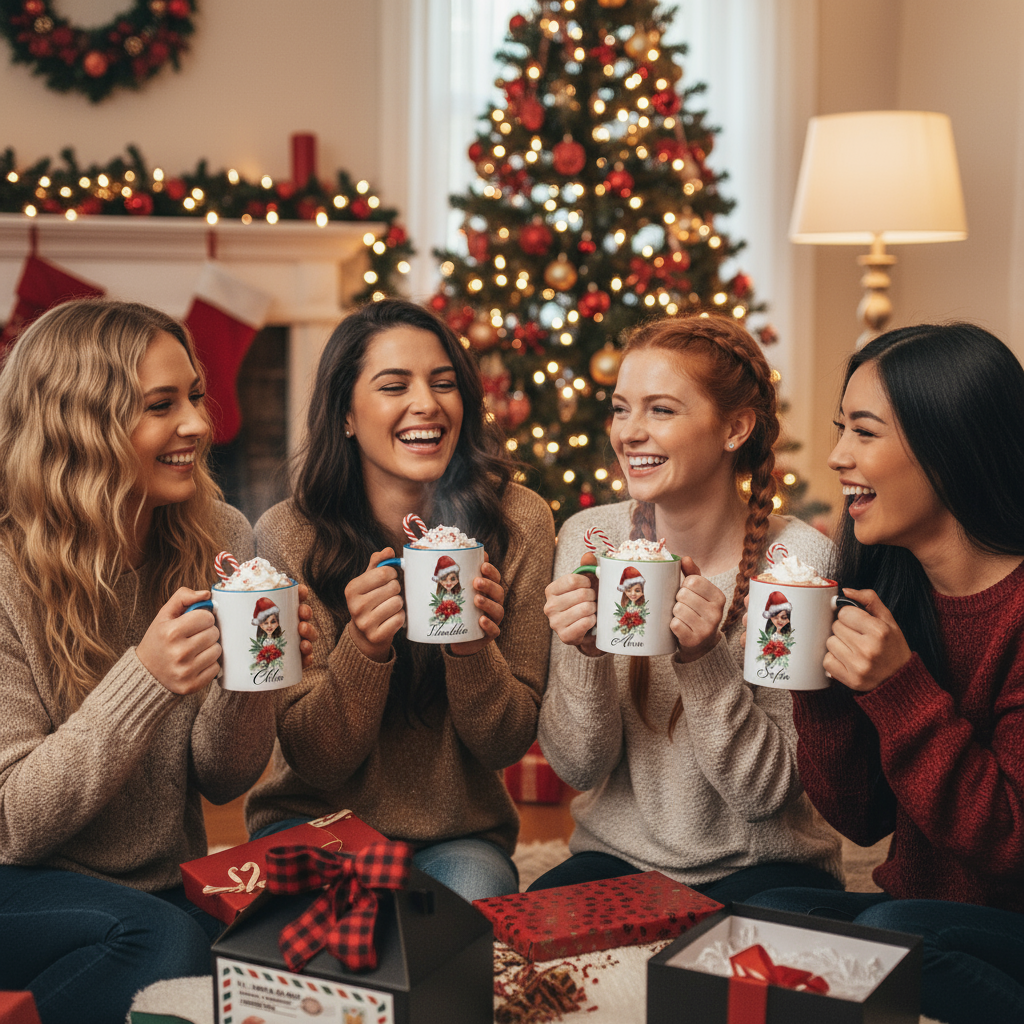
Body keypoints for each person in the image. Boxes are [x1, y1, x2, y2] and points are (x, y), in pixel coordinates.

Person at [0, 300, 311, 1024]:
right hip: (17, 881)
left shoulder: (220, 534)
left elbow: (223, 777)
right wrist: (144, 680)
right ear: (79, 424)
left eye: (195, 396)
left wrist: (248, 675)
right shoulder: (8, 570)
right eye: (161, 405)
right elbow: (13, 823)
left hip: (159, 880)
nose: (201, 426)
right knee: (160, 941)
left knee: (285, 951)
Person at [745, 323, 1024, 1024]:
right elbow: (860, 821)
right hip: (912, 910)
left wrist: (899, 691)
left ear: (948, 445)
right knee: (759, 912)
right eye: (843, 430)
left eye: (864, 432)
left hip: (997, 920)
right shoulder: (890, 586)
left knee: (891, 939)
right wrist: (820, 689)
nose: (839, 457)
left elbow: (1010, 851)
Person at [244, 298, 555, 901]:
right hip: (316, 823)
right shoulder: (288, 535)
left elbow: (506, 742)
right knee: (334, 944)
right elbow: (315, 760)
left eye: (445, 384)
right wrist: (363, 649)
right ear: (346, 416)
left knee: (460, 930)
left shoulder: (520, 521)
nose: (427, 404)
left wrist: (470, 650)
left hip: (457, 834)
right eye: (394, 385)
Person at [532, 312, 842, 899]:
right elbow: (579, 768)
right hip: (616, 857)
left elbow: (766, 796)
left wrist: (704, 661)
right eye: (622, 408)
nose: (628, 432)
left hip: (764, 868)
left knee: (732, 980)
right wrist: (584, 655)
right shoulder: (588, 540)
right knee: (522, 955)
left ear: (735, 428)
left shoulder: (798, 566)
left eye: (661, 409)